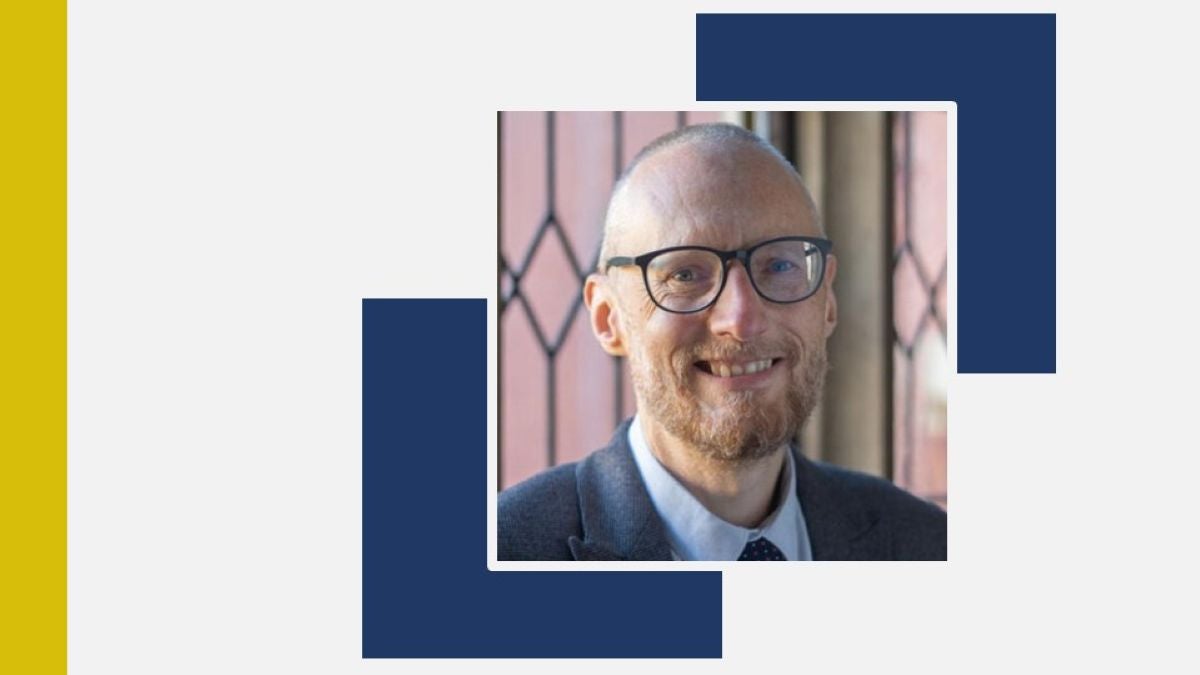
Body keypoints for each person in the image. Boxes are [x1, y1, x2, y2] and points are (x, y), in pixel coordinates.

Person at [499, 123, 946, 561]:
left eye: (781, 266)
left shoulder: (927, 547)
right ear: (608, 318)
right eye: (685, 274)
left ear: (827, 300)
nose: (741, 320)